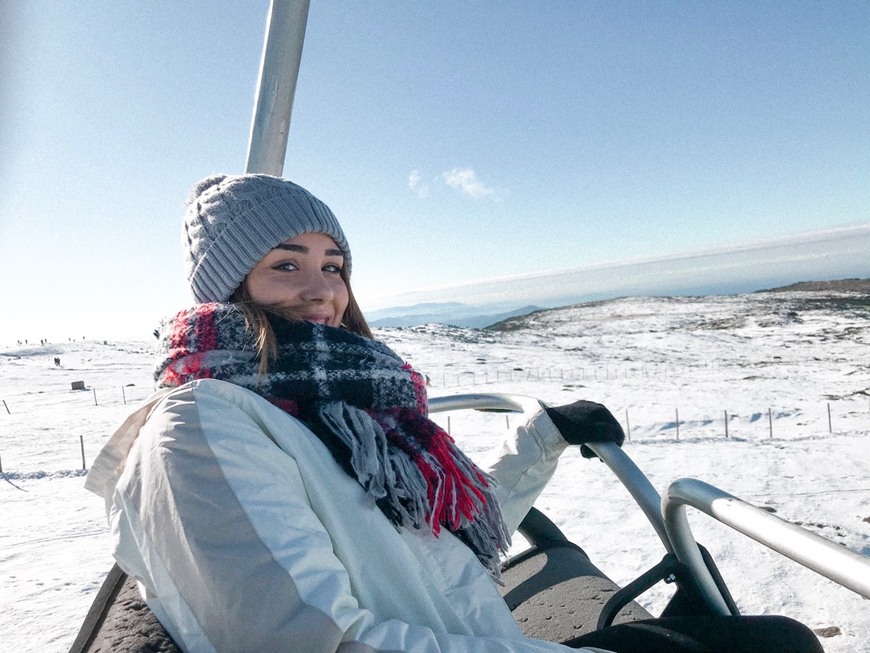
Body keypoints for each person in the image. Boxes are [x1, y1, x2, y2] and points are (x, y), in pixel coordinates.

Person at [86, 174, 822, 653]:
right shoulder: (203, 429)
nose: (322, 290)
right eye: (286, 263)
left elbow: (428, 539)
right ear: (228, 287)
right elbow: (320, 642)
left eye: (333, 264)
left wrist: (540, 438)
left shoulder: (331, 401)